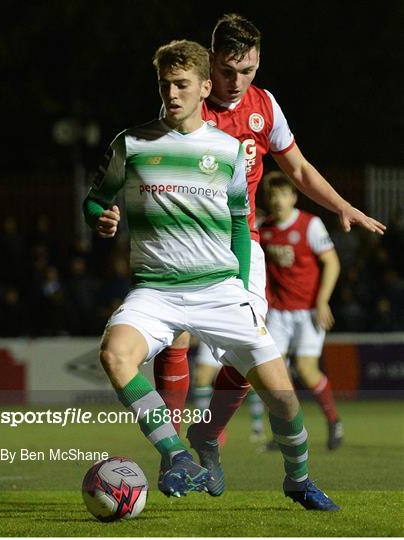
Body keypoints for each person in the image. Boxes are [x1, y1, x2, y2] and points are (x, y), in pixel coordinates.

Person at [84, 39, 340, 510]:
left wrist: (241, 287)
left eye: (182, 84)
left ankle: (298, 480)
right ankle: (177, 455)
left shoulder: (227, 150)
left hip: (219, 289)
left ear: (205, 87)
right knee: (115, 356)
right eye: (165, 85)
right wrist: (101, 216)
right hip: (154, 291)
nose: (172, 94)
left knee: (283, 398)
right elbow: (97, 198)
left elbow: (241, 223)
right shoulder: (132, 142)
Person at [151, 13, 386, 498]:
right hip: (187, 243)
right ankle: (172, 455)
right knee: (174, 339)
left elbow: (296, 167)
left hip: (243, 244)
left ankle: (208, 434)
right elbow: (147, 171)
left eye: (249, 70)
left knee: (253, 352)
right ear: (210, 61)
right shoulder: (183, 108)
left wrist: (341, 204)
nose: (237, 82)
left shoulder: (263, 105)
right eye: (228, 70)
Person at [260, 171, 342, 450]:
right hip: (279, 314)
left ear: (294, 197)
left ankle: (333, 421)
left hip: (308, 311)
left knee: (307, 372)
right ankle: (289, 432)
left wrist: (322, 301)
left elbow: (332, 263)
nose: (278, 200)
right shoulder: (264, 228)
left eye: (283, 194)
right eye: (273, 195)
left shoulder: (311, 225)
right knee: (275, 376)